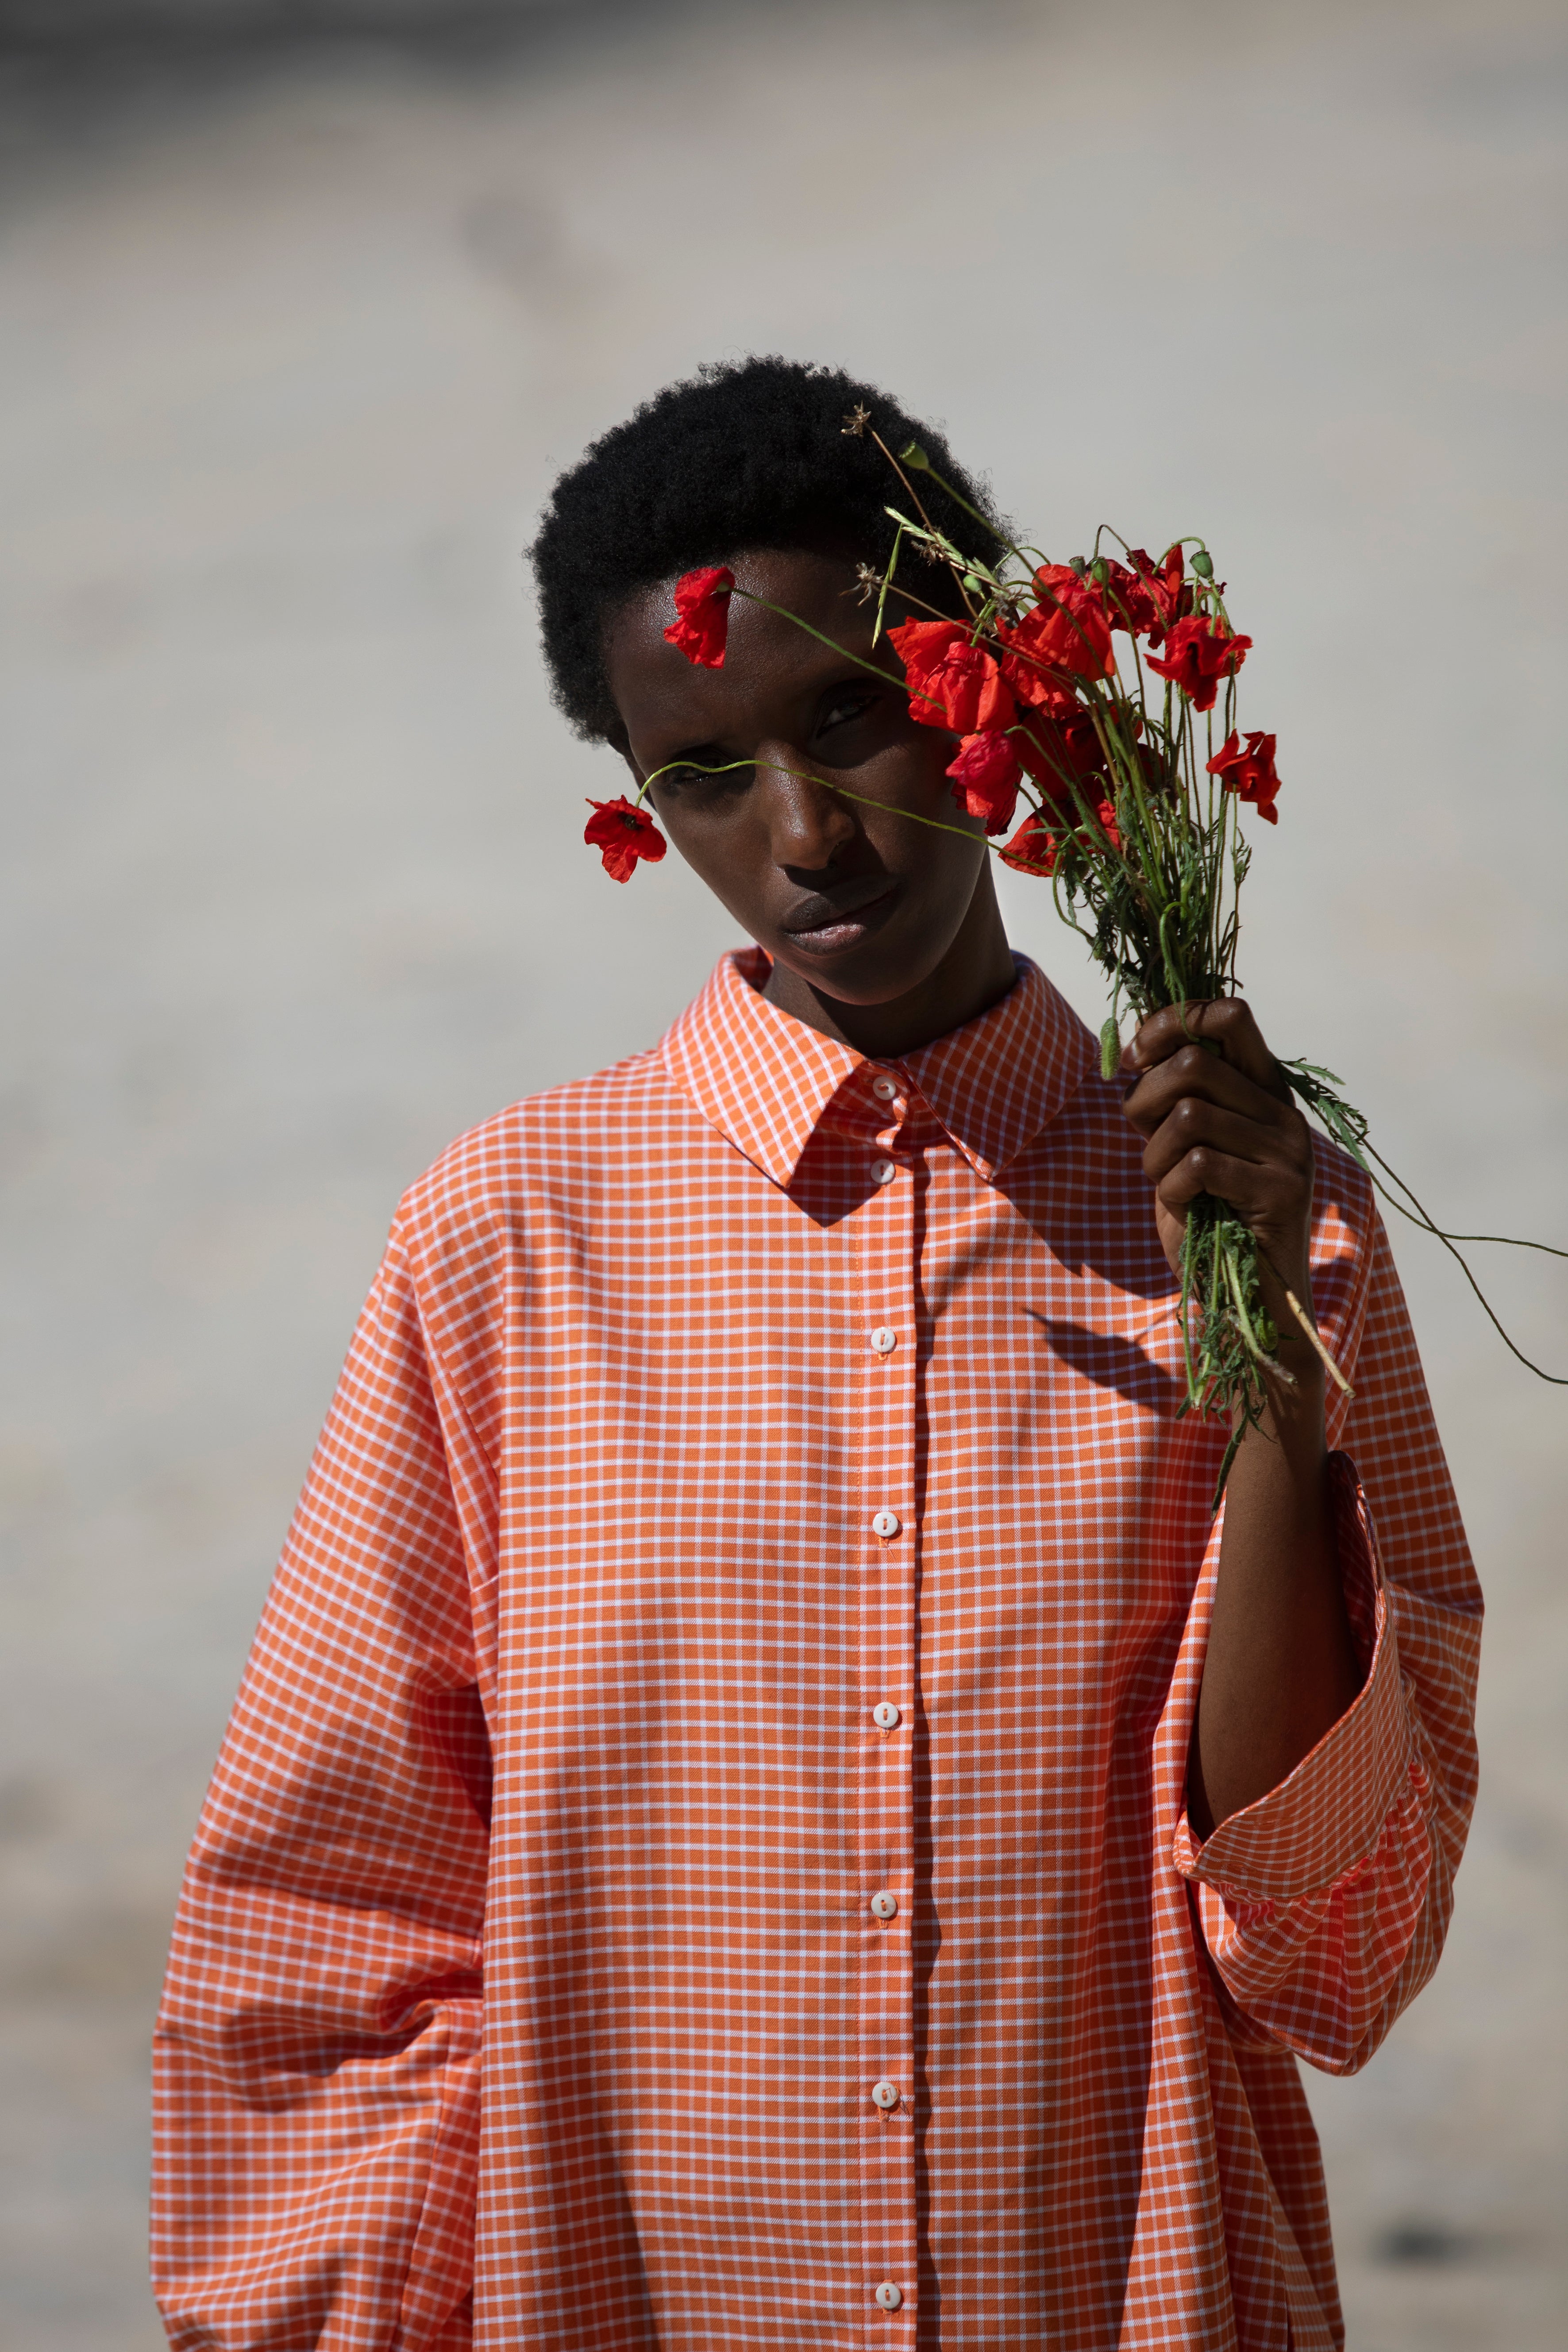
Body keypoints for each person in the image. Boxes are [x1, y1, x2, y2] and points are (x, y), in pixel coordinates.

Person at [151, 358, 1481, 2351]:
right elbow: (326, 1941)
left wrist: (1273, 1388)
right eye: (701, 771)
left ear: (993, 681)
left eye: (853, 712)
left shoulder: (1258, 1223)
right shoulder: (509, 1244)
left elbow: (1333, 1963)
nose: (804, 836)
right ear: (633, 785)